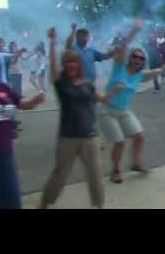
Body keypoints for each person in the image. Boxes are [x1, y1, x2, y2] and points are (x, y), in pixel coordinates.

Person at [39, 28, 118, 209]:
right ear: (64, 65)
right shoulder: (61, 83)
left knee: (95, 175)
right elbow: (52, 66)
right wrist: (52, 42)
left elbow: (102, 99)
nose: (71, 64)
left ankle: (99, 205)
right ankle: (44, 203)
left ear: (79, 64)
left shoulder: (88, 85)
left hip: (90, 136)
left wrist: (115, 90)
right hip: (67, 137)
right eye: (67, 62)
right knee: (60, 175)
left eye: (74, 61)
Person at [100, 20, 165, 184]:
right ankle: (115, 170)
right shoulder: (119, 67)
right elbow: (121, 48)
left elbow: (160, 71)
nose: (138, 59)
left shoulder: (140, 75)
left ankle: (135, 163)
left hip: (124, 111)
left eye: (141, 58)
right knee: (120, 142)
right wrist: (134, 31)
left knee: (139, 137)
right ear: (130, 58)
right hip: (107, 110)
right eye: (135, 57)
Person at [0, 46, 45, 209]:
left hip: (6, 155)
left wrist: (34, 101)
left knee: (12, 200)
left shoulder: (2, 88)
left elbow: (21, 102)